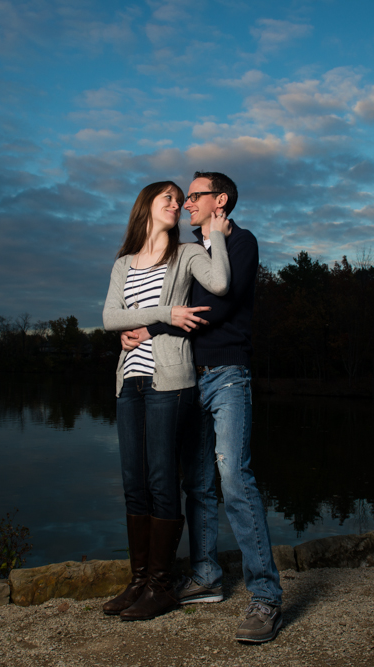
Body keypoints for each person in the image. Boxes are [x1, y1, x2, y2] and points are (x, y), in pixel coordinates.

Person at [120, 171, 284, 643]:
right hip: (188, 378)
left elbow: (223, 303)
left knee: (234, 476)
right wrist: (138, 325)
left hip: (229, 375)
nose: (188, 203)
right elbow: (167, 303)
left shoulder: (241, 242)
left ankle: (266, 595)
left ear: (221, 200)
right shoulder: (189, 251)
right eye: (186, 197)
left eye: (195, 196)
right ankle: (207, 574)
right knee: (198, 484)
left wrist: (154, 330)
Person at [101, 180, 231, 621]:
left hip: (169, 380)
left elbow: (221, 283)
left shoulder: (189, 254)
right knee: (133, 482)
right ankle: (138, 582)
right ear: (147, 208)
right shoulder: (123, 263)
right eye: (169, 199)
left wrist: (214, 234)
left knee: (161, 482)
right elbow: (109, 317)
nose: (178, 205)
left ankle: (160, 586)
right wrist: (164, 314)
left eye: (181, 200)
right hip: (129, 382)